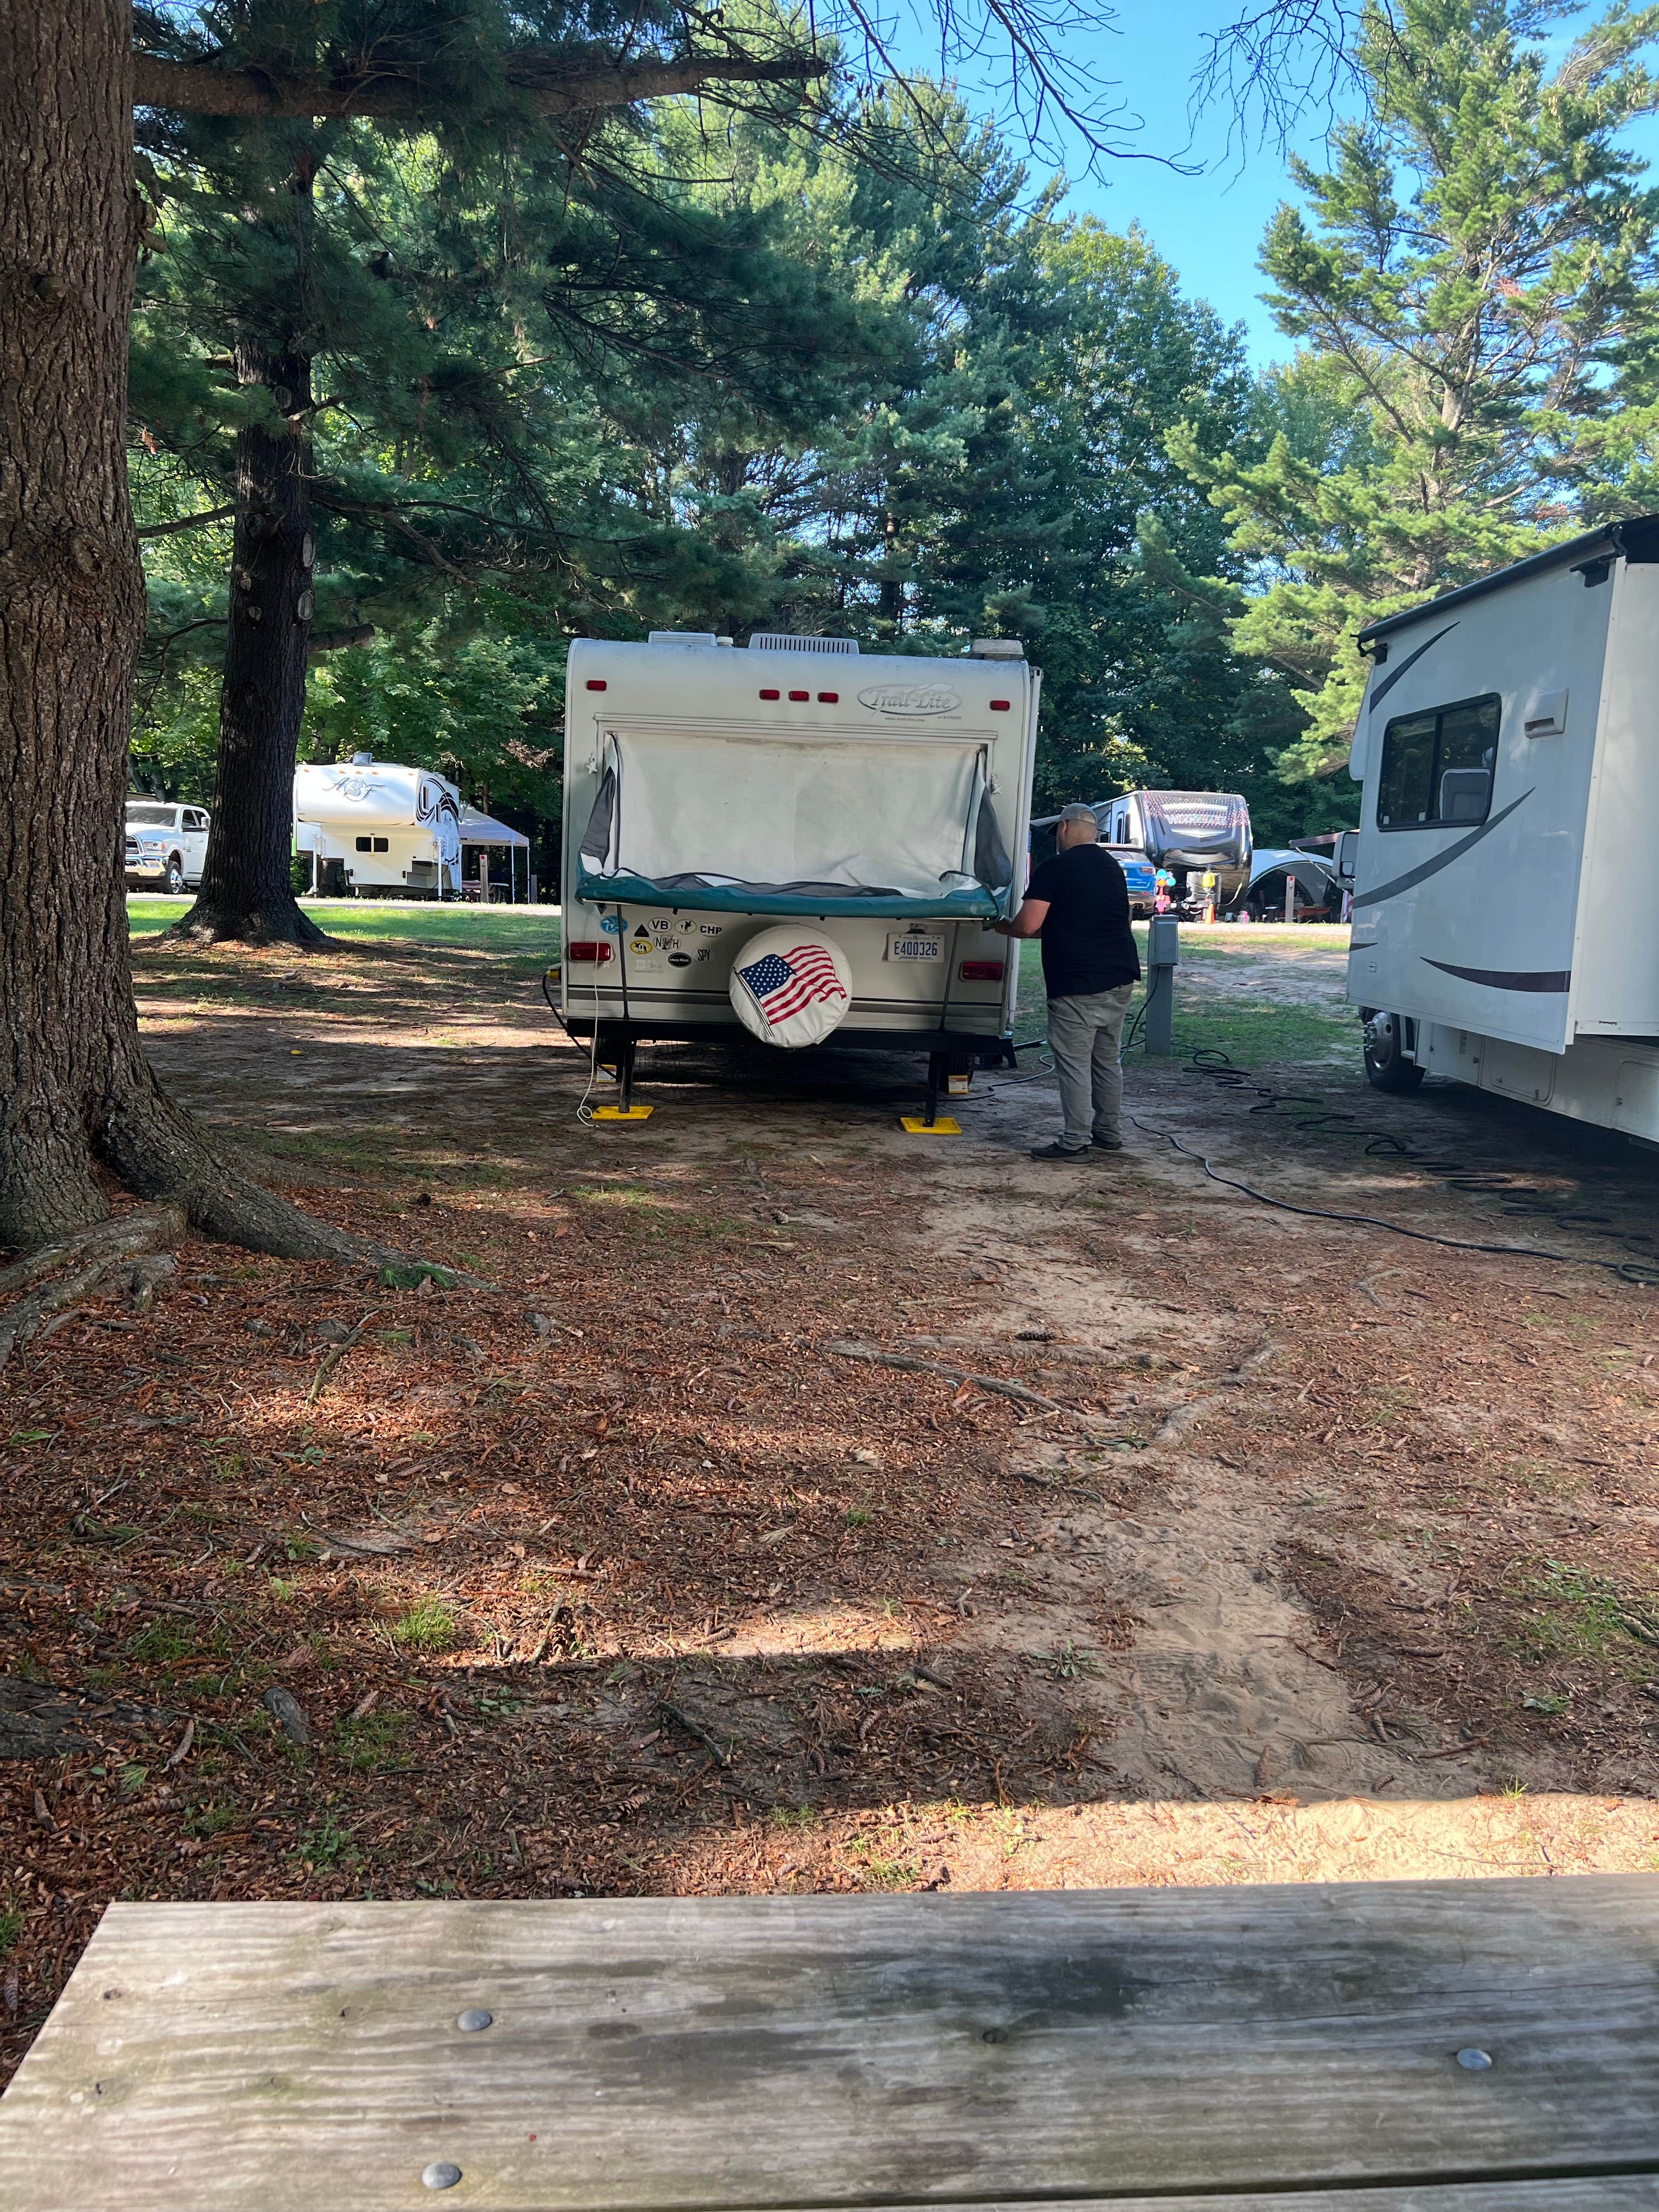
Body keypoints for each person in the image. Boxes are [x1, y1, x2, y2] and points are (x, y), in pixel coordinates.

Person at [993, 802, 1141, 1160]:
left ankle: (1075, 1141)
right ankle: (1109, 1134)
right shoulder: (1113, 868)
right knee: (1106, 1060)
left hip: (1077, 982)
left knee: (1074, 1062)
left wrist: (1000, 925)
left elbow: (1028, 925)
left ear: (1063, 829)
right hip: (1120, 976)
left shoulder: (1055, 868)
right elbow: (1077, 922)